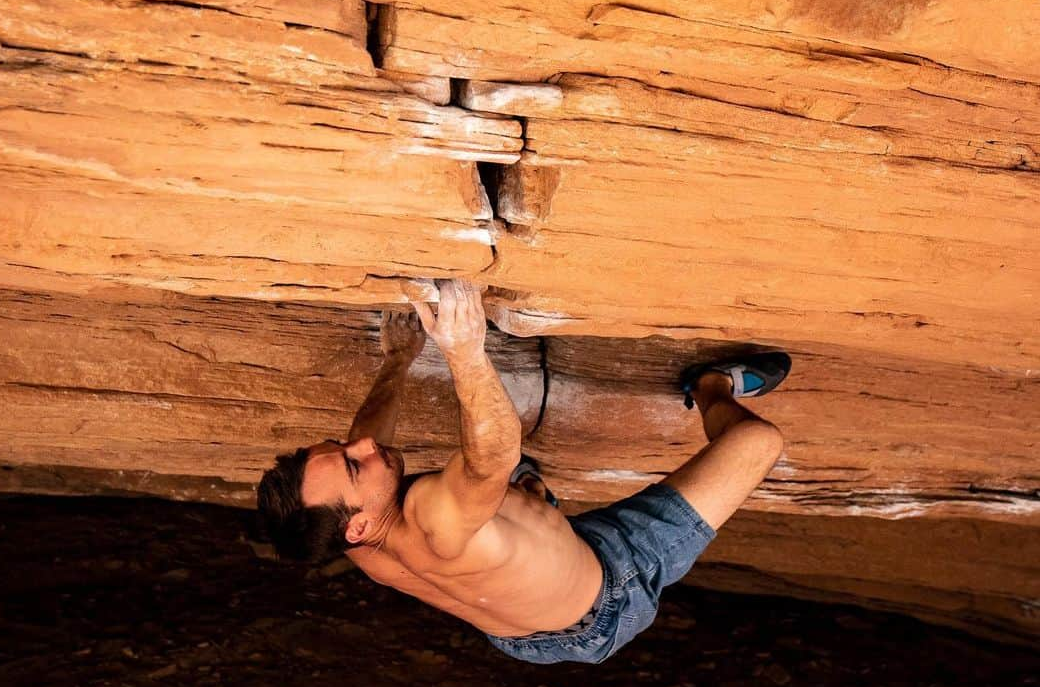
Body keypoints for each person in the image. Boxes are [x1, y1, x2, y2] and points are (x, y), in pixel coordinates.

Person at [255, 279, 789, 665]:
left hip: (523, 634)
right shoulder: (431, 519)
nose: (367, 445)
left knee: (498, 508)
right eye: (354, 463)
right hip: (611, 586)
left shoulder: (352, 541)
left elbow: (366, 447)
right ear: (359, 525)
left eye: (346, 447)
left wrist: (399, 359)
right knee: (757, 442)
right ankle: (710, 388)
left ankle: (532, 497)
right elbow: (493, 455)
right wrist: (463, 352)